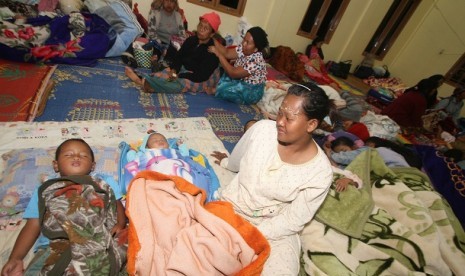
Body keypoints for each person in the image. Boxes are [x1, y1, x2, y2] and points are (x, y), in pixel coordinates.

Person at [211, 82, 333, 274]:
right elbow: (238, 157)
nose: (280, 122)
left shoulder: (320, 172)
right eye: (279, 113)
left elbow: (293, 219)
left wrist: (254, 234)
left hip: (276, 228)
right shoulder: (262, 130)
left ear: (311, 124)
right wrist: (227, 164)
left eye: (289, 118)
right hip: (234, 207)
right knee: (203, 254)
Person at [1, 139, 126, 275]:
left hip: (99, 244)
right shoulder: (46, 189)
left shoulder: (104, 181)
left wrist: (120, 223)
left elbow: (117, 205)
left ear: (92, 165)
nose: (76, 157)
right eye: (68, 155)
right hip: (54, 248)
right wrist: (15, 258)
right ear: (56, 165)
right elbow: (33, 225)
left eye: (83, 155)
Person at [125, 12, 221, 94]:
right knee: (165, 73)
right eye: (200, 25)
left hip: (196, 76)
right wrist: (174, 70)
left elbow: (201, 76)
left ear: (212, 34)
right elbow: (179, 57)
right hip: (183, 69)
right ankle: (148, 82)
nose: (201, 30)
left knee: (180, 85)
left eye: (206, 28)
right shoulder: (191, 40)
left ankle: (142, 81)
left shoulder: (212, 52)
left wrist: (179, 76)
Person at [209, 26, 269, 105]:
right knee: (224, 72)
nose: (243, 43)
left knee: (224, 90)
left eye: (247, 42)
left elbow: (233, 73)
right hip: (241, 79)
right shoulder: (244, 48)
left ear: (256, 49)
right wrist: (211, 39)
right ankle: (222, 87)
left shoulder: (256, 60)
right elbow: (227, 52)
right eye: (244, 39)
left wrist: (219, 55)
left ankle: (218, 89)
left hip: (251, 89)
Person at [121, 0, 186, 69]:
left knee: (174, 54)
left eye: (172, 1)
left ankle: (160, 63)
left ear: (175, 4)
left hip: (170, 45)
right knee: (141, 41)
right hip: (156, 42)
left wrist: (172, 46)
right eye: (167, 1)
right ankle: (130, 57)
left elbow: (182, 36)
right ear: (163, 1)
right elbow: (151, 33)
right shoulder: (155, 13)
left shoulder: (178, 16)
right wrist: (161, 47)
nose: (169, 4)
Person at [326, 136, 410, 168]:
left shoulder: (365, 150)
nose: (343, 154)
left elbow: (340, 158)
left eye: (344, 151)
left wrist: (327, 151)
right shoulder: (360, 162)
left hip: (400, 170)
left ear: (354, 147)